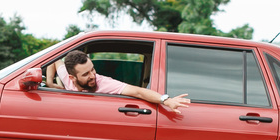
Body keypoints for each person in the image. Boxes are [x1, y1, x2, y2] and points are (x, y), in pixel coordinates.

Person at [56, 50, 191, 114]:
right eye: (86, 74)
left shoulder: (104, 83)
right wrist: (50, 82)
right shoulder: (66, 77)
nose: (92, 76)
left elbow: (138, 91)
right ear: (72, 78)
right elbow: (56, 60)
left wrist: (166, 100)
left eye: (93, 69)